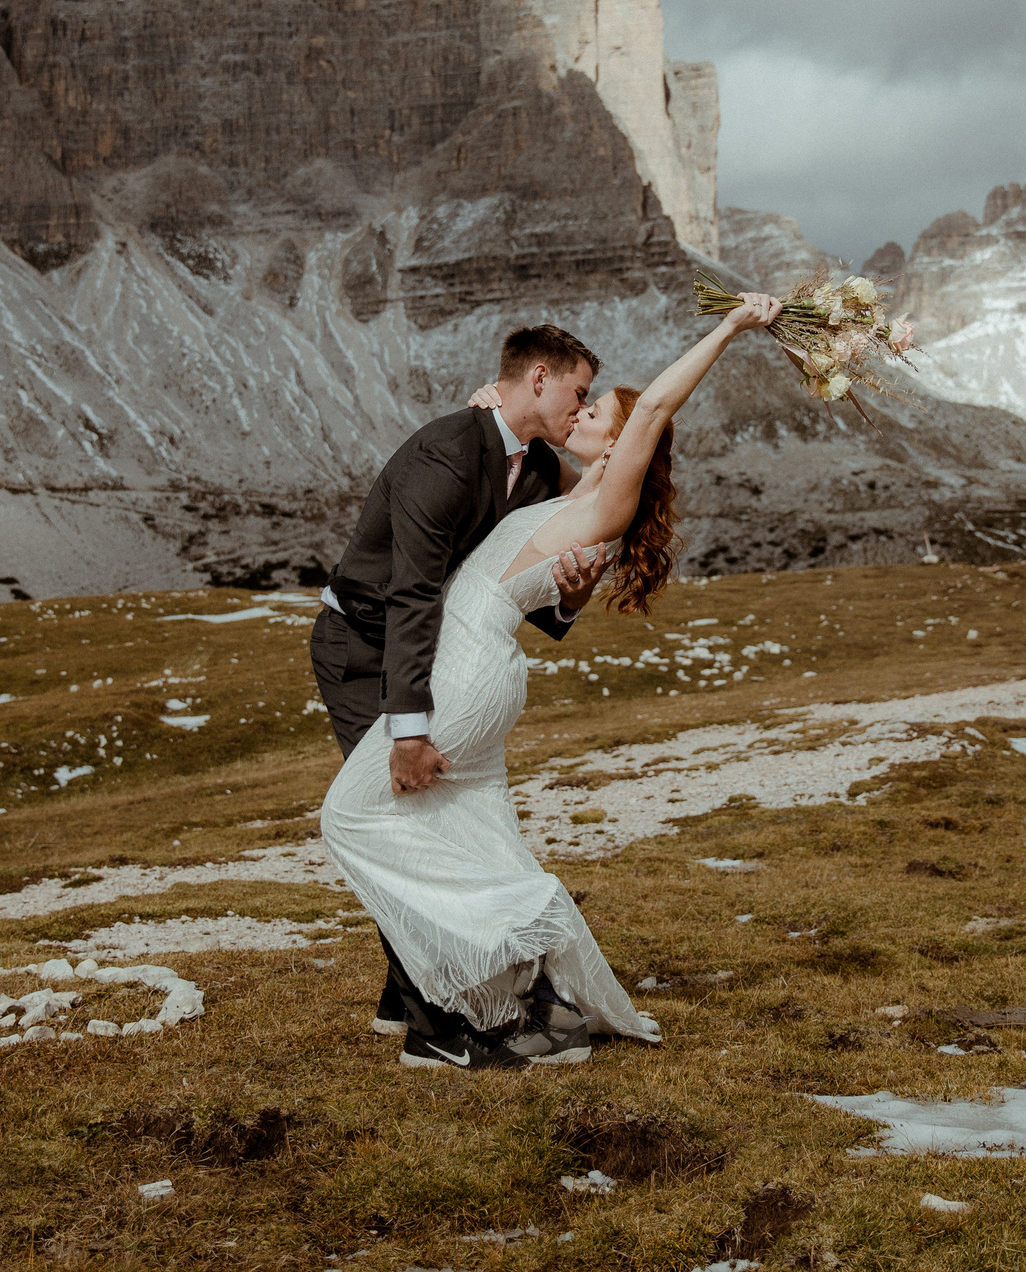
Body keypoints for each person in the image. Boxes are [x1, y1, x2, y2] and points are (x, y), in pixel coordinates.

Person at [320, 291, 781, 1069]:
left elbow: (660, 399)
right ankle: (495, 992)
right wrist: (492, 412)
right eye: (582, 395)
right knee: (463, 826)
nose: (586, 409)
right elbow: (508, 539)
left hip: (465, 667)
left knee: (350, 816)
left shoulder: (611, 486)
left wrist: (733, 326)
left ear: (631, 434)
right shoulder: (554, 482)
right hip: (464, 660)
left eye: (598, 406)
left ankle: (481, 973)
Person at [309, 324, 608, 1051]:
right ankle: (434, 1029)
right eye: (579, 391)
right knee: (403, 818)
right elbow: (412, 593)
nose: (584, 406)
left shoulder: (536, 469)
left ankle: (404, 994)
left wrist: (570, 597)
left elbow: (502, 585)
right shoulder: (446, 452)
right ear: (539, 378)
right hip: (363, 646)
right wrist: (408, 732)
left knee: (426, 816)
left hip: (429, 651)